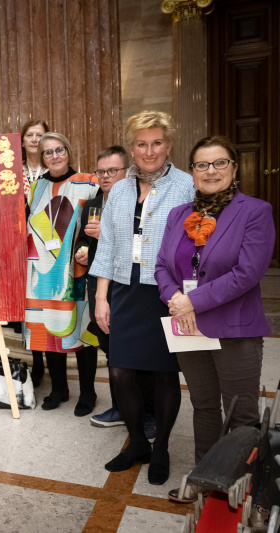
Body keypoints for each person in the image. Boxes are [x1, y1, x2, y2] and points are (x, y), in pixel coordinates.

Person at [155, 136, 274, 502]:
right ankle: (202, 479)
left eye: (220, 163)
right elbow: (161, 266)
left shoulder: (254, 211)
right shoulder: (178, 214)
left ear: (234, 169)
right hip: (188, 330)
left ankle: (241, 488)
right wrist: (174, 297)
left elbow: (247, 273)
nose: (210, 171)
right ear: (191, 172)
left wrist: (190, 301)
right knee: (204, 407)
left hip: (235, 327)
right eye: (202, 165)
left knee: (240, 413)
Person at [91, 111, 195, 485]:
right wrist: (101, 297)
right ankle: (137, 442)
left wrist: (191, 295)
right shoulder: (118, 188)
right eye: (141, 143)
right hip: (124, 288)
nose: (149, 151)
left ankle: (162, 447)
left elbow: (198, 244)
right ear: (131, 147)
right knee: (120, 371)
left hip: (167, 291)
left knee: (166, 374)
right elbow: (107, 244)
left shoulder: (186, 185)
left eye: (156, 143)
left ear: (168, 145)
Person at [79, 147, 157, 435]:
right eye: (101, 171)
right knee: (112, 350)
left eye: (113, 170)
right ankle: (121, 407)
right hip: (99, 286)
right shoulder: (91, 205)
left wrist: (108, 235)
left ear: (128, 171)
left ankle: (148, 412)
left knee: (139, 352)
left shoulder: (140, 202)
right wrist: (83, 250)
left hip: (129, 286)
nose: (106, 177)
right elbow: (80, 242)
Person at [24, 132, 100, 415]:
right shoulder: (36, 188)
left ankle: (88, 392)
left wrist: (86, 247)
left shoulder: (88, 183)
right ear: (41, 157)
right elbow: (31, 227)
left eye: (59, 150)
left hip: (75, 272)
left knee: (81, 332)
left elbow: (99, 222)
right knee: (48, 333)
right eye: (48, 152)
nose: (54, 156)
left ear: (68, 151)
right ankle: (59, 389)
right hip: (40, 275)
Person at [17, 119, 50, 385]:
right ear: (23, 139)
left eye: (40, 135)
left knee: (47, 303)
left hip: (50, 244)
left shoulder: (54, 166)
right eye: (30, 134)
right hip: (20, 246)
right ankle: (36, 362)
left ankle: (54, 359)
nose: (35, 139)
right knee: (29, 308)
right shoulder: (13, 171)